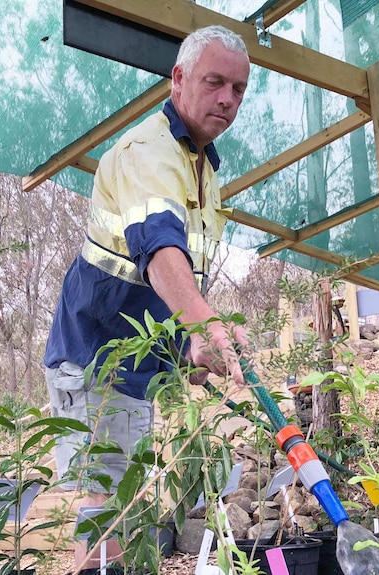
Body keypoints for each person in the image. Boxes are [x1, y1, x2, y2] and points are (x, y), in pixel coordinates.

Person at [44, 25, 251, 571]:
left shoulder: (206, 172)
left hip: (134, 367)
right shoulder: (147, 151)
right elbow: (158, 251)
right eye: (214, 82)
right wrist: (207, 323)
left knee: (125, 503)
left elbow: (172, 286)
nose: (227, 99)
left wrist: (189, 347)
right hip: (94, 357)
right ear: (178, 79)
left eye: (239, 89)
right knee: (105, 504)